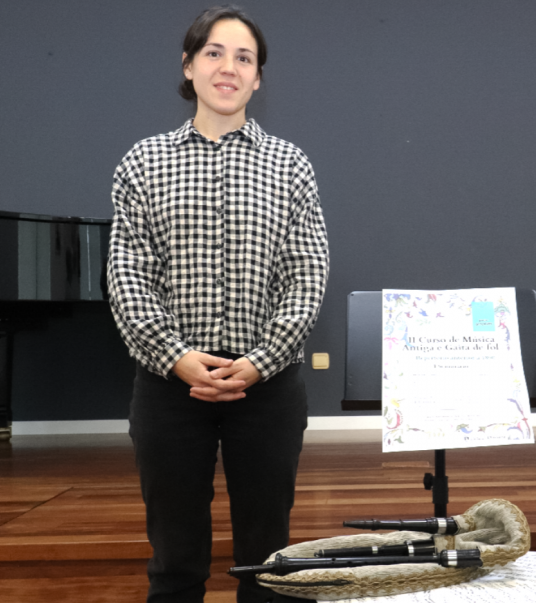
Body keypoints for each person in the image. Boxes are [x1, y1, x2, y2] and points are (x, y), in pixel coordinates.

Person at [107, 5, 329, 602]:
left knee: (269, 562)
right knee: (175, 560)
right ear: (188, 65)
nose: (228, 67)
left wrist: (260, 360)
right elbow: (128, 277)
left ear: (258, 78)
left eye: (244, 57)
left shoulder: (291, 165)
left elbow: (307, 275)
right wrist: (178, 357)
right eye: (214, 52)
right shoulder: (142, 162)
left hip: (269, 386)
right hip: (168, 387)